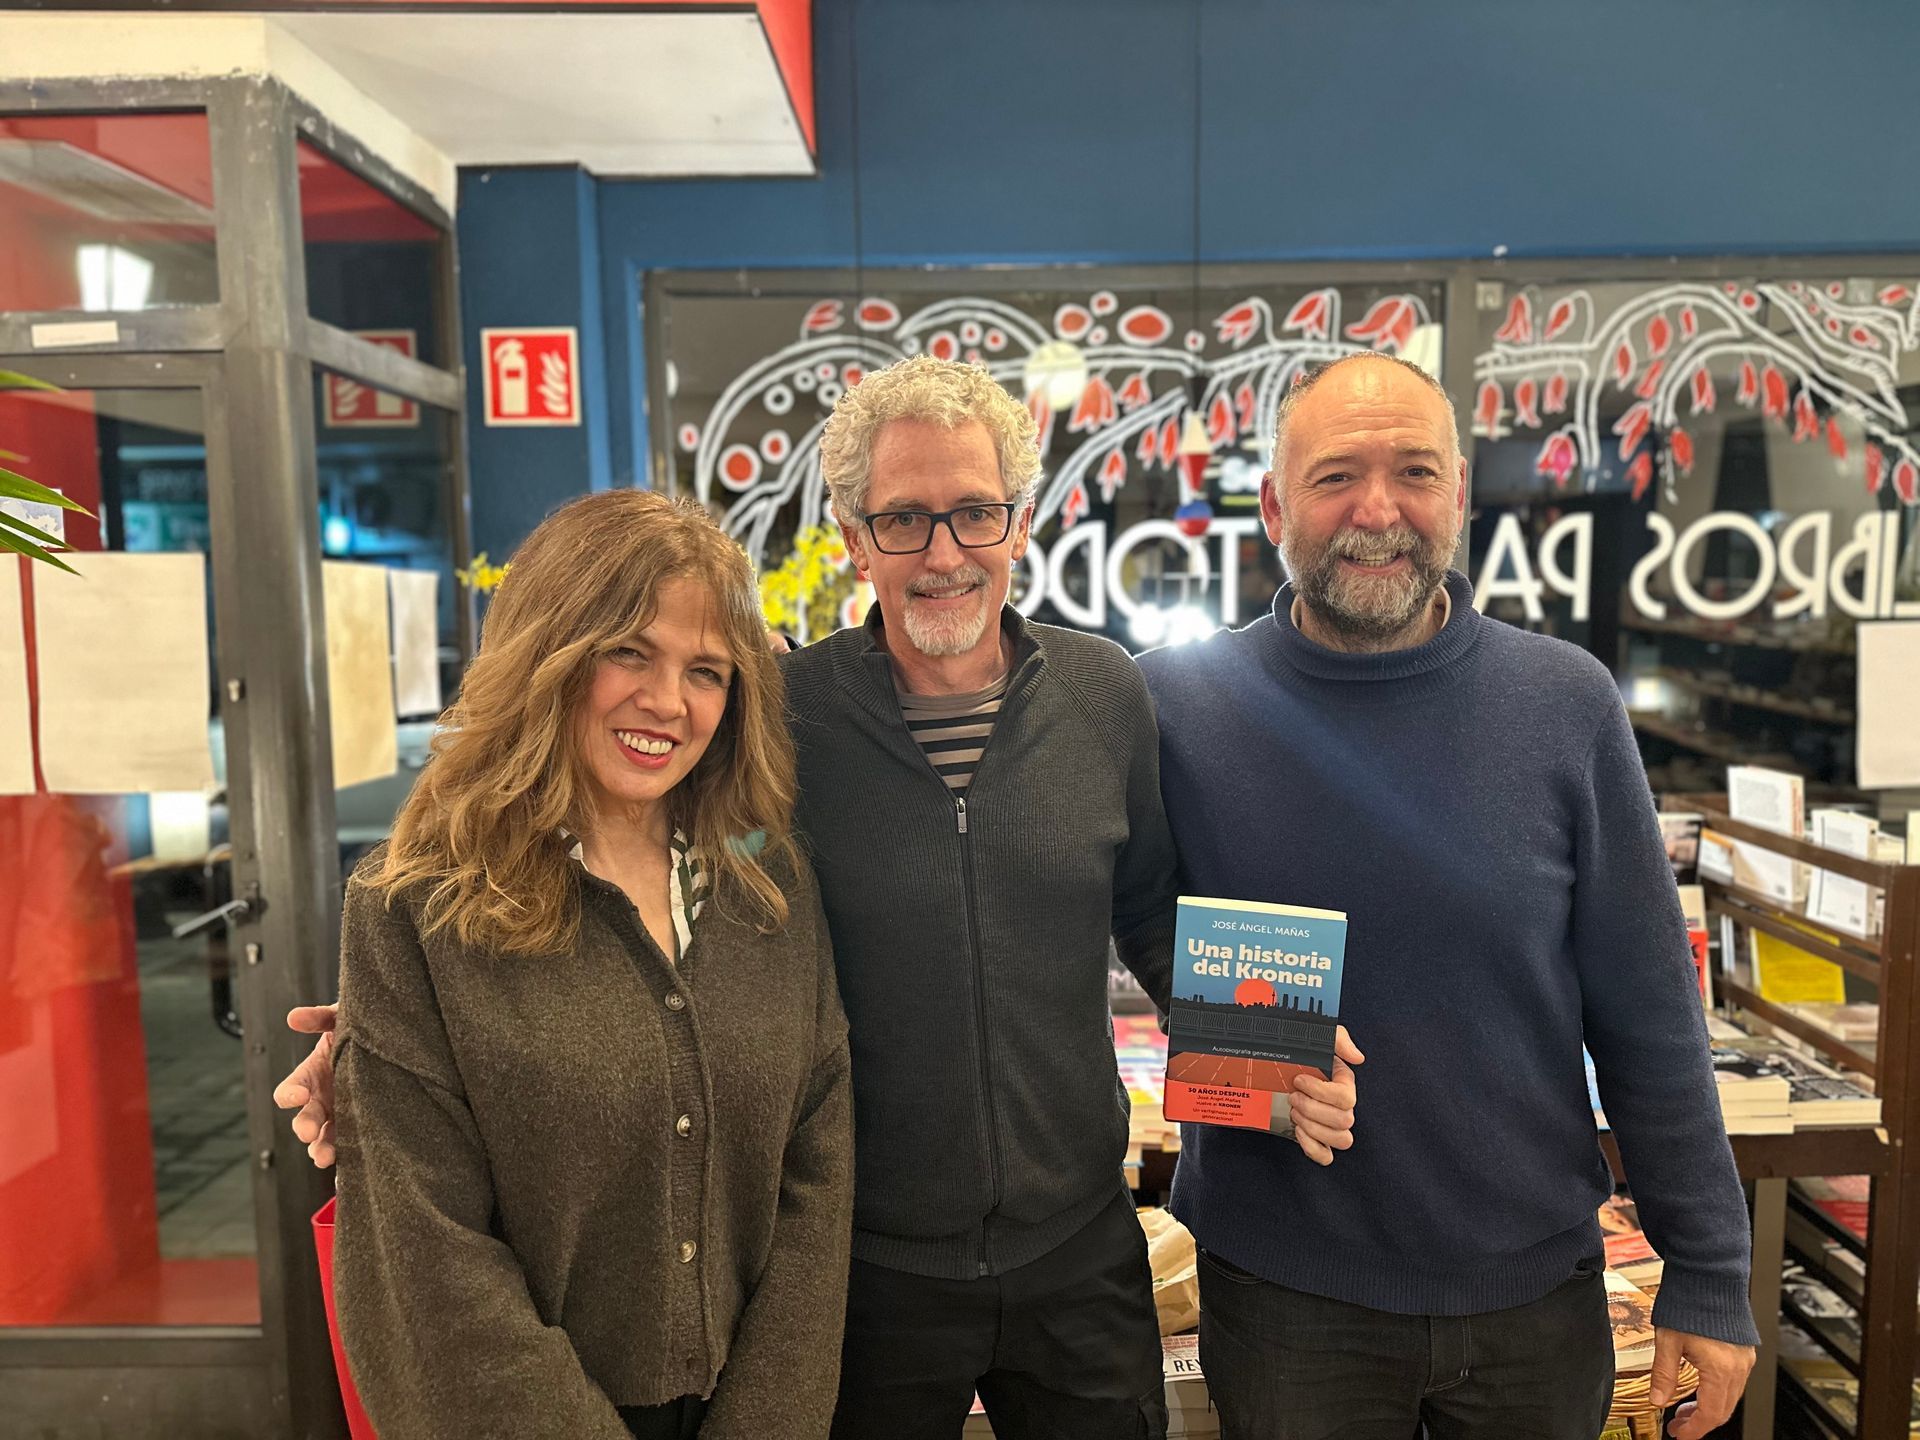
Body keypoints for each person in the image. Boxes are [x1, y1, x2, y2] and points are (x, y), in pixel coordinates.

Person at [281, 357, 1363, 1440]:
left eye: (973, 514)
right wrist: (403, 1041)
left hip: (1080, 1249)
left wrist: (1269, 1059)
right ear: (854, 538)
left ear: (1018, 524)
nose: (942, 553)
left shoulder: (1104, 694)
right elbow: (625, 882)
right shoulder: (777, 720)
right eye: (903, 520)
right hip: (859, 1268)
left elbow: (1151, 916)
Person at [1136, 352, 1757, 1440]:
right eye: (1336, 477)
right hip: (1286, 1303)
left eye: (1414, 472)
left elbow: (1650, 1013)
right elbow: (1126, 916)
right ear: (1276, 506)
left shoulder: (1565, 703)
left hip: (1532, 1298)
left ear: (1460, 495)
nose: (1378, 511)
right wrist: (1243, 1053)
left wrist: (1707, 1269)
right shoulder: (1178, 705)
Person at [323, 490, 851, 1440]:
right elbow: (426, 1257)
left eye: (707, 671)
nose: (667, 702)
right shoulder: (416, 911)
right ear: (549, 651)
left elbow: (817, 1183)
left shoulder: (767, 889)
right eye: (628, 653)